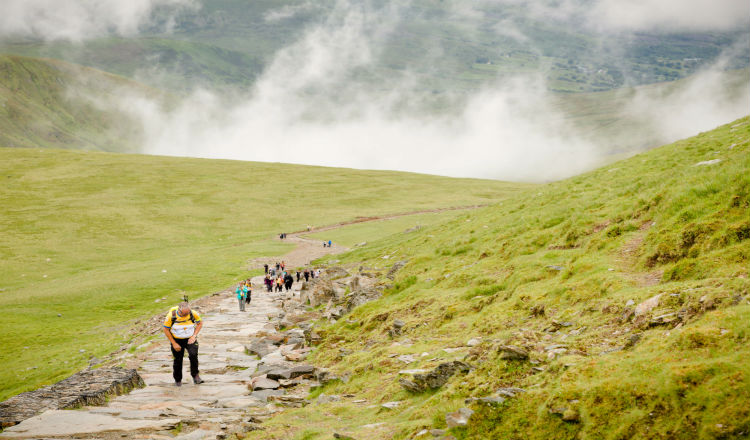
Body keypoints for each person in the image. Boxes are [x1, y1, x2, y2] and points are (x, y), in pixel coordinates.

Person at [162, 302, 203, 386]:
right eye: (184, 313)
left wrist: (194, 336)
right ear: (179, 310)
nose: (186, 315)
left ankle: (195, 376)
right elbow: (166, 330)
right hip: (177, 340)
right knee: (178, 359)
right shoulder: (171, 316)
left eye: (187, 313)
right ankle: (178, 380)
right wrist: (174, 343)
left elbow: (200, 323)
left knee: (193, 355)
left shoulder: (193, 313)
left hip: (190, 339)